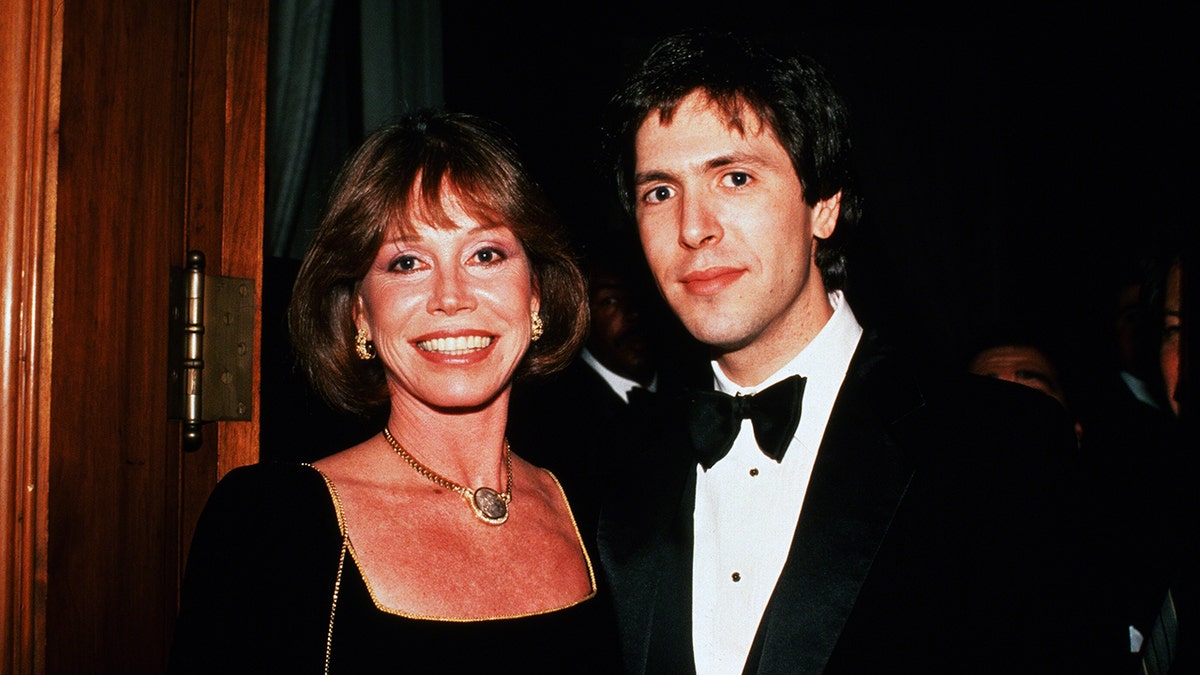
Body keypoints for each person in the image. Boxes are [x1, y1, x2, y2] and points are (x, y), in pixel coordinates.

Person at [595, 30, 1111, 673]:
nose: (693, 228)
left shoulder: (1001, 444)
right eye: (660, 192)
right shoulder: (607, 468)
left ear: (825, 207)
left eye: (734, 177)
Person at [168, 111, 621, 673]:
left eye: (485, 255)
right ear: (360, 312)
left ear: (535, 297)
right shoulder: (273, 526)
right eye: (407, 262)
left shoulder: (605, 512)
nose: (450, 297)